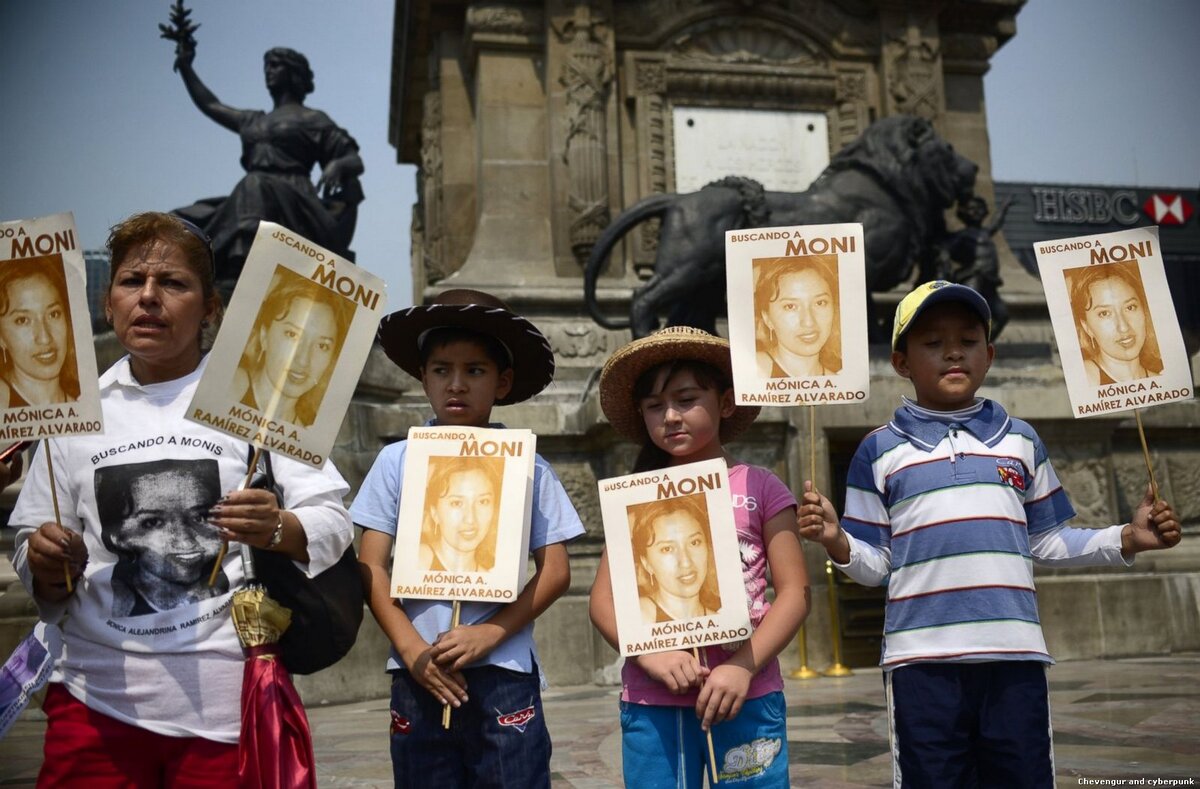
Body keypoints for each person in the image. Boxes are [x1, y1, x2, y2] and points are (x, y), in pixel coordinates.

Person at [8, 211, 353, 786]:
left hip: (226, 712)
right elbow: (31, 541)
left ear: (211, 308)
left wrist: (276, 527)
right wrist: (44, 559)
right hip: (94, 706)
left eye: (172, 283)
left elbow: (332, 520)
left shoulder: (257, 400)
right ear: (106, 302)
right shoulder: (73, 412)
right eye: (130, 282)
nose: (148, 298)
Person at [798, 280, 1183, 788]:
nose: (953, 351)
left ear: (989, 354)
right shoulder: (879, 450)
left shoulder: (1021, 440)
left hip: (1014, 656)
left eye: (968, 340)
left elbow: (1047, 542)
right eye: (932, 343)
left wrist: (1126, 539)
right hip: (921, 664)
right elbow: (878, 567)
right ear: (901, 362)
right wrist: (836, 541)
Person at [352, 288, 585, 788]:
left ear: (502, 382)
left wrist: (492, 631)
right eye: (441, 370)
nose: (456, 385)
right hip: (421, 670)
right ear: (423, 377)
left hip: (503, 670)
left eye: (474, 371)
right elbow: (370, 566)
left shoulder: (528, 466)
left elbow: (557, 569)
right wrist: (412, 649)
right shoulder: (398, 461)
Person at [589, 326, 809, 787]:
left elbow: (795, 592)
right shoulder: (635, 497)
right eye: (654, 406)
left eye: (686, 399)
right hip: (654, 701)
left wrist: (741, 667)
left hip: (747, 693)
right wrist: (652, 655)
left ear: (725, 402)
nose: (671, 416)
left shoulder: (761, 487)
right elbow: (604, 602)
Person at [171, 36, 364, 288]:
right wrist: (186, 67)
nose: (268, 72)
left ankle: (245, 270)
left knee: (254, 183)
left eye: (275, 66)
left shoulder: (314, 119)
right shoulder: (253, 120)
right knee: (179, 222)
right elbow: (211, 105)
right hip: (249, 198)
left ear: (293, 73)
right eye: (266, 67)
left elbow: (354, 160)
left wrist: (338, 165)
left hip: (296, 203)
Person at [234, 267, 353, 426]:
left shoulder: (310, 433)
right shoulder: (231, 387)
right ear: (264, 336)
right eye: (292, 335)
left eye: (322, 346)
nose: (303, 360)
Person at [628, 493, 721, 624]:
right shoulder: (638, 616)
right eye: (667, 549)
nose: (686, 562)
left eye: (694, 542)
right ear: (646, 563)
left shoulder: (721, 622)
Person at [1065, 262, 1163, 385]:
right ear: (1087, 327)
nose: (1123, 327)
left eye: (1130, 307)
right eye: (1105, 313)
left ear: (1144, 311)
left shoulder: (1162, 381)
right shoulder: (1084, 377)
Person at [0, 257, 80, 407]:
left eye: (53, 314)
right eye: (22, 320)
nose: (44, 338)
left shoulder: (85, 403)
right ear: (1, 338)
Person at [753, 255, 842, 378]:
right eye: (790, 306)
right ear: (767, 318)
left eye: (820, 303)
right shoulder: (751, 370)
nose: (808, 322)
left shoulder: (840, 386)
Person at [419, 455, 503, 573]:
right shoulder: (417, 562)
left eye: (483, 501)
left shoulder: (492, 581)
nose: (470, 519)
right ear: (434, 513)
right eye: (457, 503)